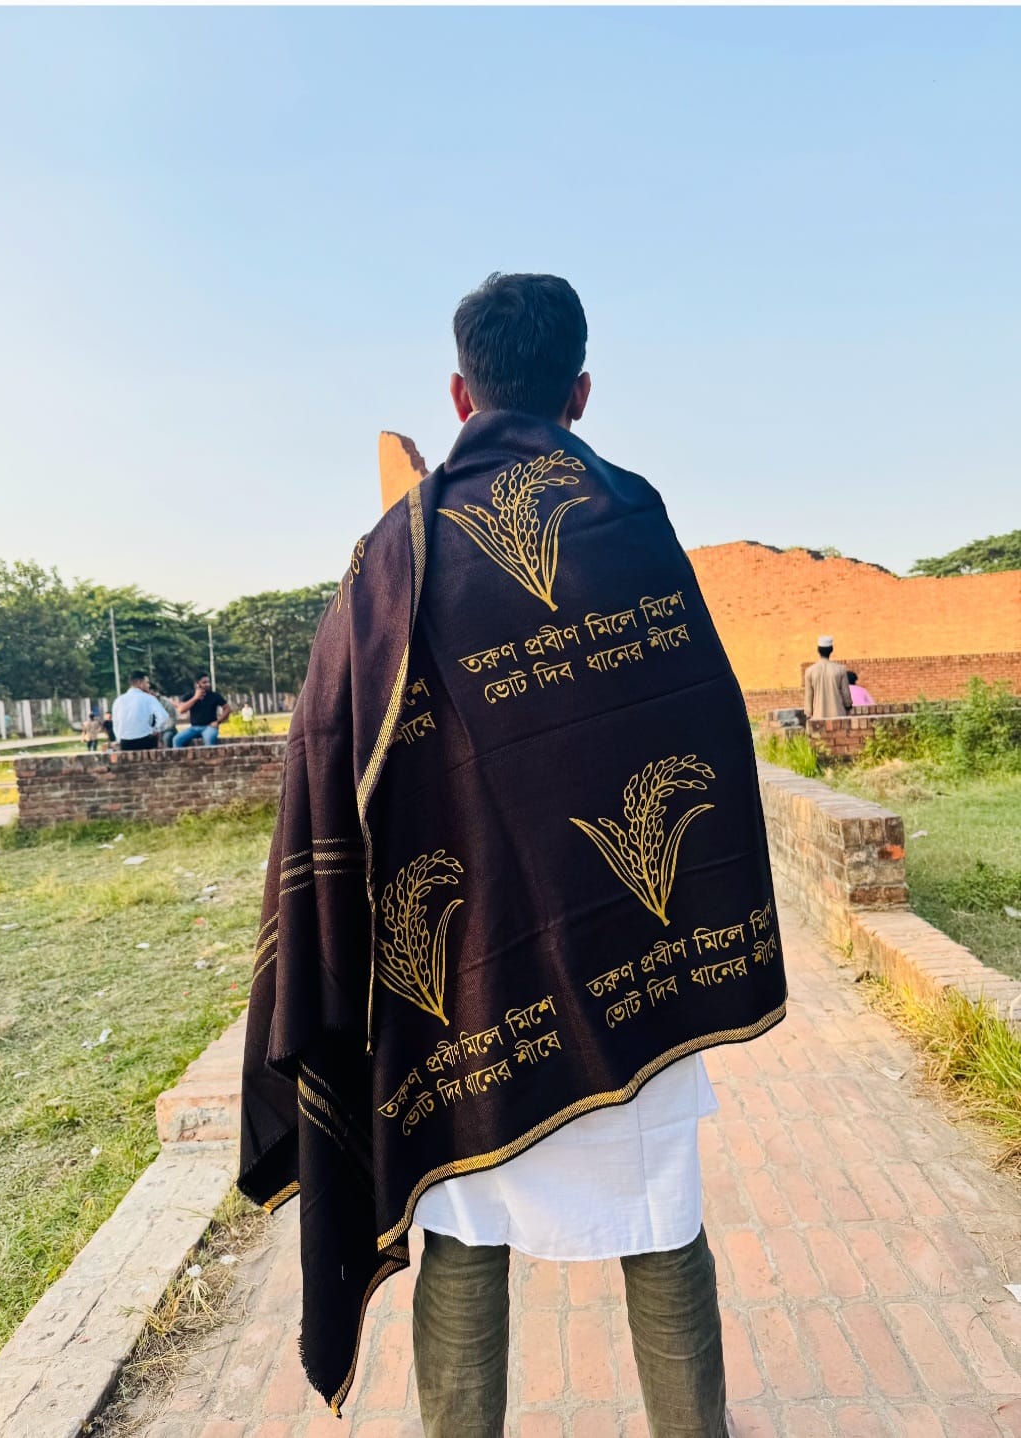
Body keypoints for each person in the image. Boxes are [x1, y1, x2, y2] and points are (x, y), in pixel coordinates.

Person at [238, 273, 787, 1436]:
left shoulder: (395, 553)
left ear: (459, 392)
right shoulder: (634, 521)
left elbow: (325, 752)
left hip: (467, 985)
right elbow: (705, 723)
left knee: (462, 1225)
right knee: (660, 1218)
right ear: (580, 391)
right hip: (637, 968)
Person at [111, 672, 170, 751]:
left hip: (125, 742)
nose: (149, 685)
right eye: (147, 682)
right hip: (145, 740)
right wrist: (155, 729)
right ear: (139, 683)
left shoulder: (118, 700)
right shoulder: (149, 698)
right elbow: (163, 716)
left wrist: (119, 739)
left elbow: (115, 723)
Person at [173, 674, 230, 747]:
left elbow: (227, 708)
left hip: (209, 727)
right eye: (204, 682)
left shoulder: (214, 695)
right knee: (176, 740)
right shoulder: (190, 696)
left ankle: (210, 755)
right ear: (197, 684)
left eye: (208, 682)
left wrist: (218, 722)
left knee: (209, 740)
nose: (208, 684)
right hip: (194, 728)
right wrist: (195, 698)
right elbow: (181, 710)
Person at [803, 636, 852, 719]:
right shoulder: (840, 669)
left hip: (818, 716)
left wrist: (808, 714)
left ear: (818, 650)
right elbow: (846, 696)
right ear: (831, 650)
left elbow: (808, 697)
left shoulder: (810, 671)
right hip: (838, 715)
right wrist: (848, 707)